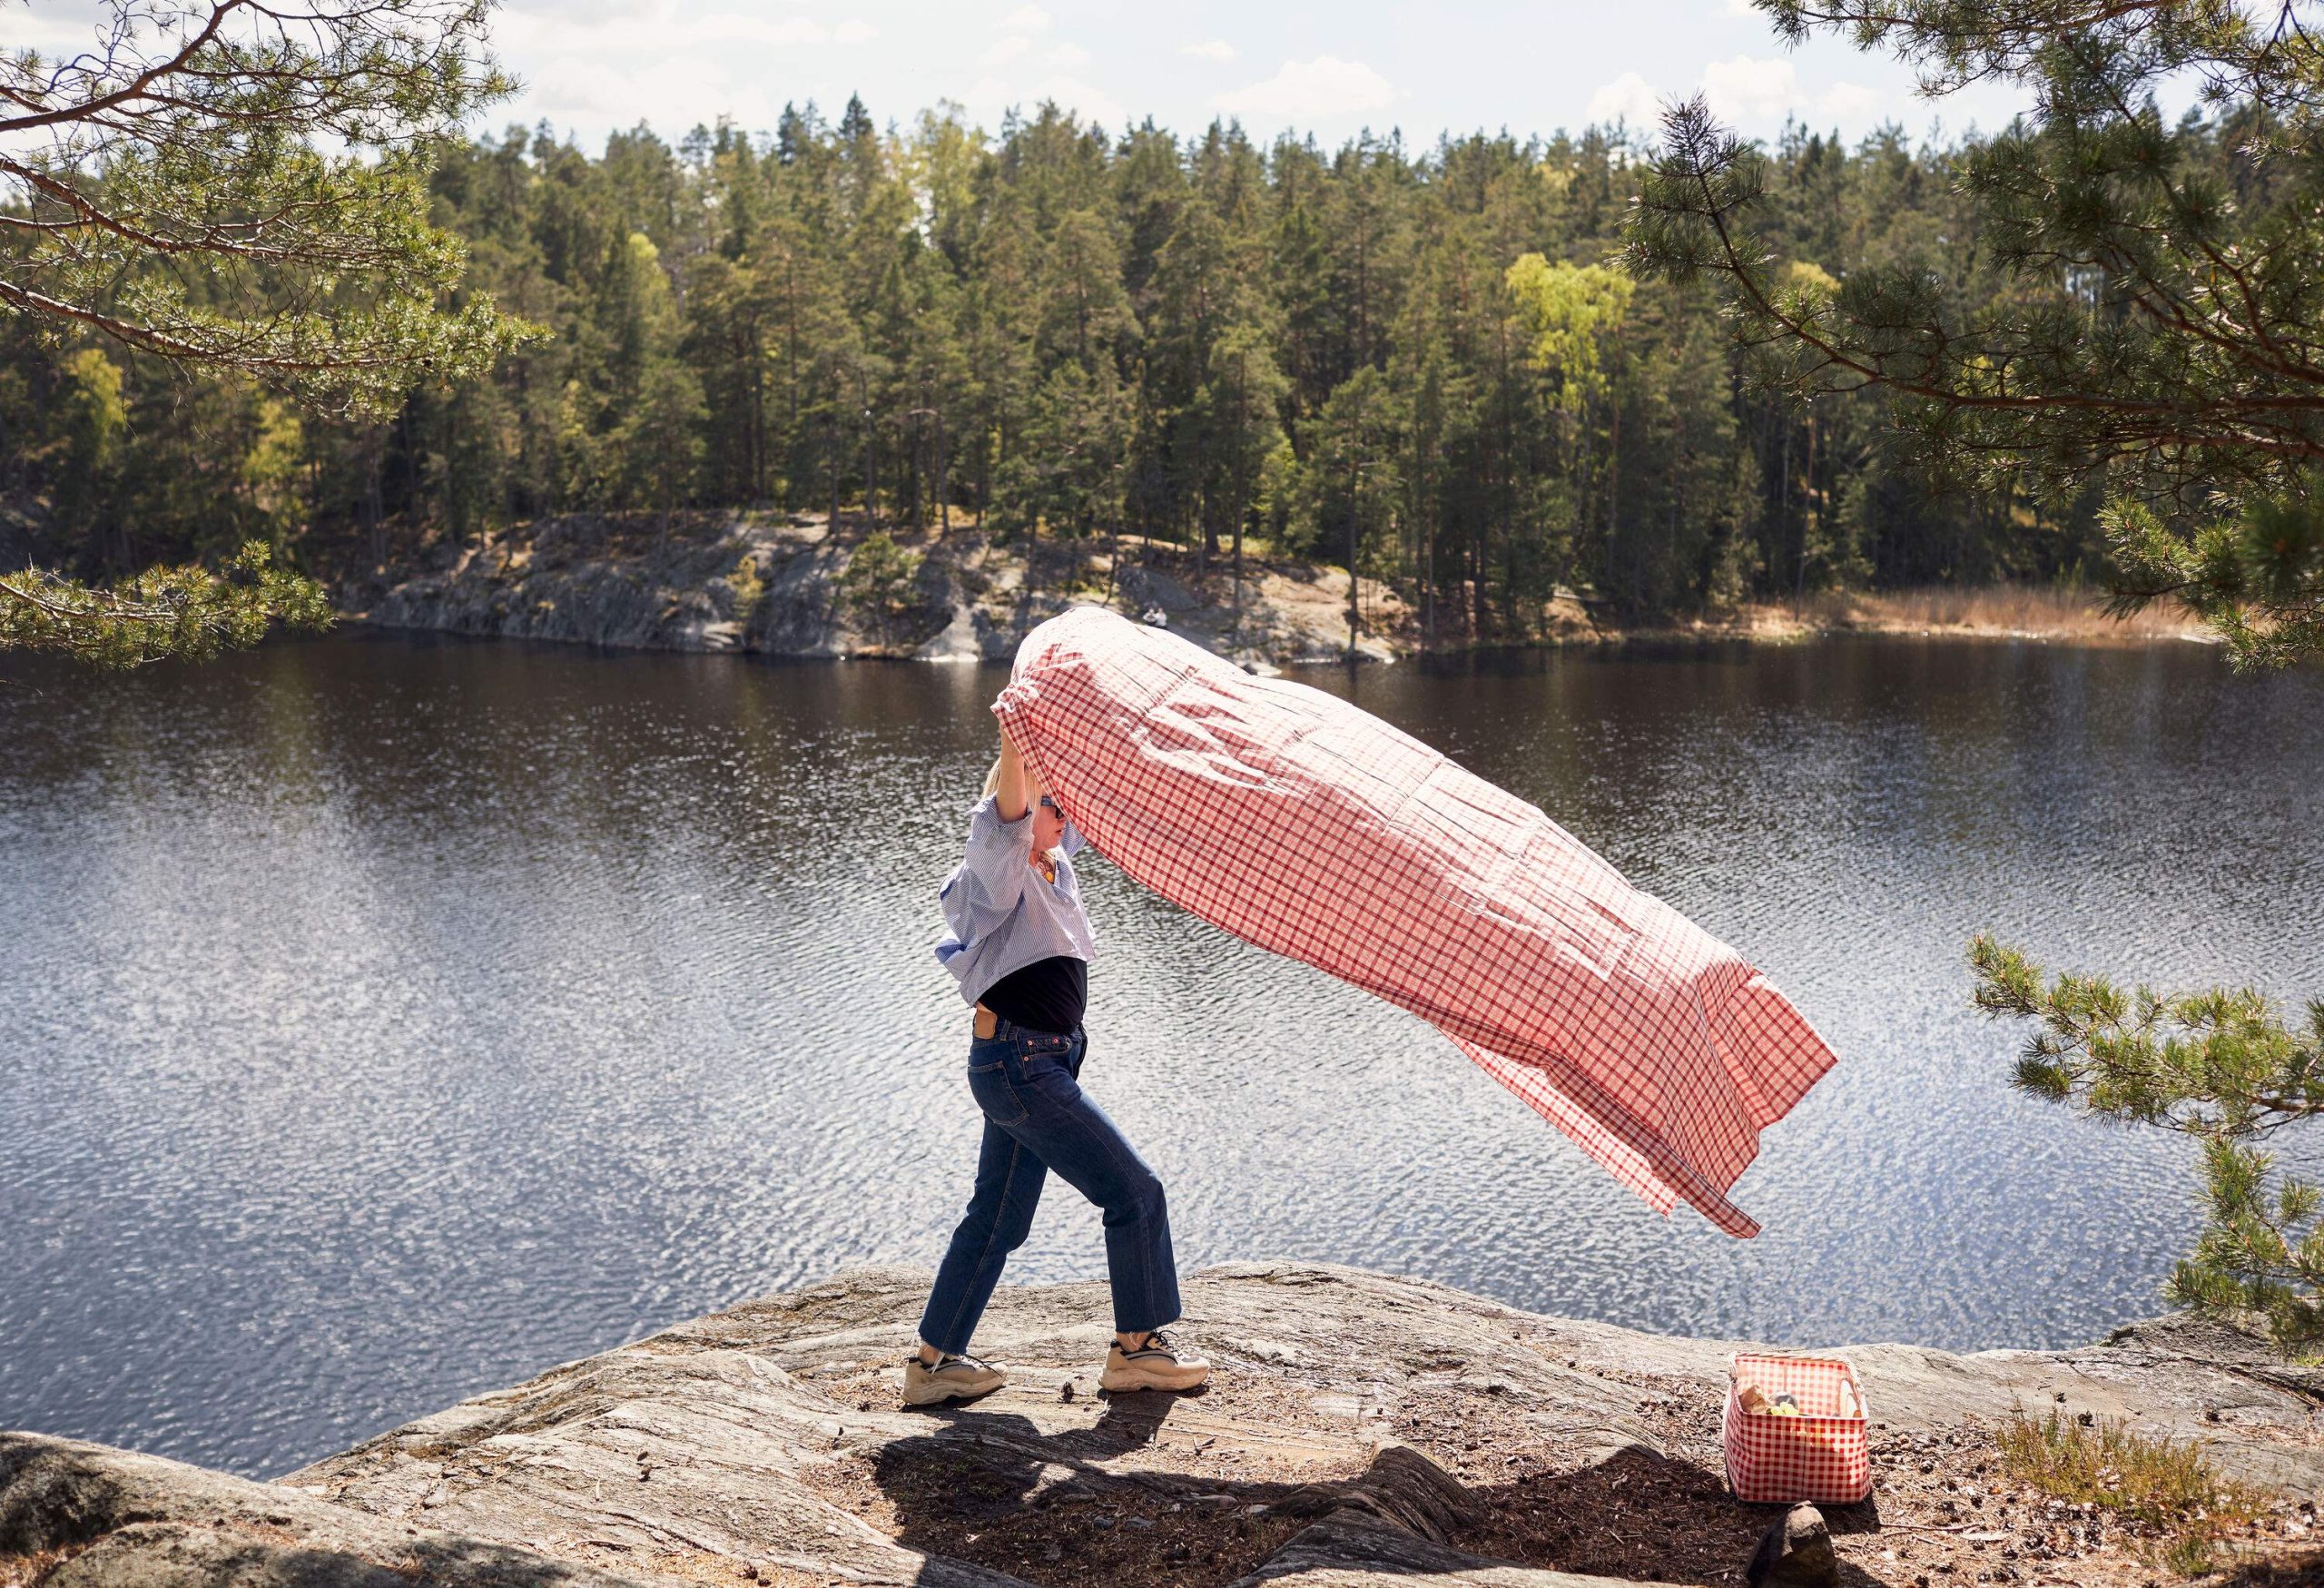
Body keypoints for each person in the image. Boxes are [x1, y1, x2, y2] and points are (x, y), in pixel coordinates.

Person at [904, 715, 1210, 1406]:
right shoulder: (1001, 866)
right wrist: (1017, 741)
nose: (1063, 813)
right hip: (1020, 1064)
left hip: (1041, 1063)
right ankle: (1137, 1349)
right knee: (1134, 1191)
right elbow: (1012, 808)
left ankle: (931, 1364)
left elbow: (1085, 802)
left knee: (998, 1219)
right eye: (1050, 803)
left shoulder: (1055, 861)